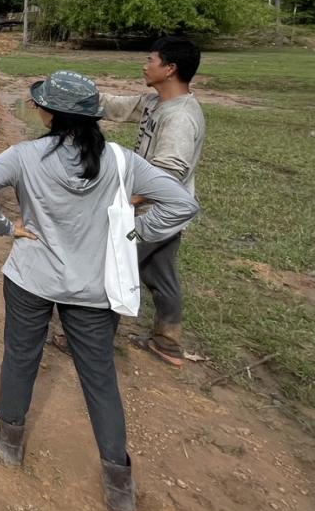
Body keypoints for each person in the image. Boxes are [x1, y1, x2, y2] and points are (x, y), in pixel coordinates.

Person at [0, 71, 199, 511]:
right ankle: (118, 481)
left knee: (20, 358)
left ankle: (9, 441)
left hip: (31, 277)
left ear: (49, 113)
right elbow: (182, 204)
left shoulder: (25, 156)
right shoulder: (122, 161)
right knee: (100, 378)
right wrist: (132, 232)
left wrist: (5, 226)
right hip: (94, 287)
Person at [50, 35, 205, 367]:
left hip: (151, 215)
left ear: (170, 68)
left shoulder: (180, 118)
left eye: (151, 60)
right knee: (160, 274)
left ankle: (88, 341)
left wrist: (125, 199)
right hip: (162, 216)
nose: (144, 65)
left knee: (110, 270)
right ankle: (168, 342)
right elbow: (115, 106)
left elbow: (170, 174)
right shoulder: (155, 103)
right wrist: (76, 96)